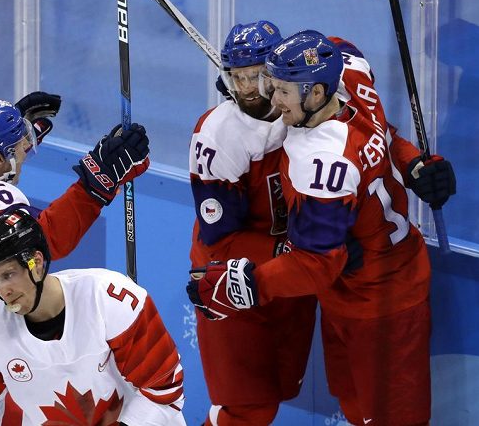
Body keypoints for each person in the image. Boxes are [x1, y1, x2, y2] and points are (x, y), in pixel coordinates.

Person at [188, 31, 445, 425]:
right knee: (356, 408)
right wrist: (412, 164)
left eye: (283, 92)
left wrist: (245, 285)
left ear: (315, 93)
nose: (273, 101)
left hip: (380, 301)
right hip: (346, 294)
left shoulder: (321, 161)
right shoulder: (354, 83)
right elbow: (381, 130)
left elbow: (315, 264)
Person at [0, 94, 150, 423]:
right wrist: (98, 180)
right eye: (19, 147)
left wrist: (9, 126)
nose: (26, 150)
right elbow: (45, 241)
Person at [0, 208, 185, 425]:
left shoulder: (107, 298)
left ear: (36, 262)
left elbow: (163, 390)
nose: (3, 291)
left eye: (8, 275)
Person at [188, 20, 318, 426]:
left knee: (276, 392)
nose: (245, 88)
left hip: (288, 270)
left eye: (256, 76)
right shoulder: (218, 135)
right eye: (237, 77)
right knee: (247, 408)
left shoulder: (301, 104)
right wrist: (298, 254)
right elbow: (220, 240)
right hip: (231, 276)